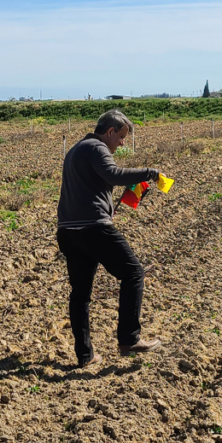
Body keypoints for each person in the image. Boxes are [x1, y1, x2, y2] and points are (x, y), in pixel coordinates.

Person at [56, 109, 163, 368]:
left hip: (68, 231)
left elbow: (92, 187)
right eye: (122, 137)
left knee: (80, 294)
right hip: (92, 228)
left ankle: (85, 355)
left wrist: (108, 205)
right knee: (134, 273)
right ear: (110, 131)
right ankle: (129, 339)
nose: (123, 143)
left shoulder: (77, 150)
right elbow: (113, 175)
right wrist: (148, 173)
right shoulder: (96, 148)